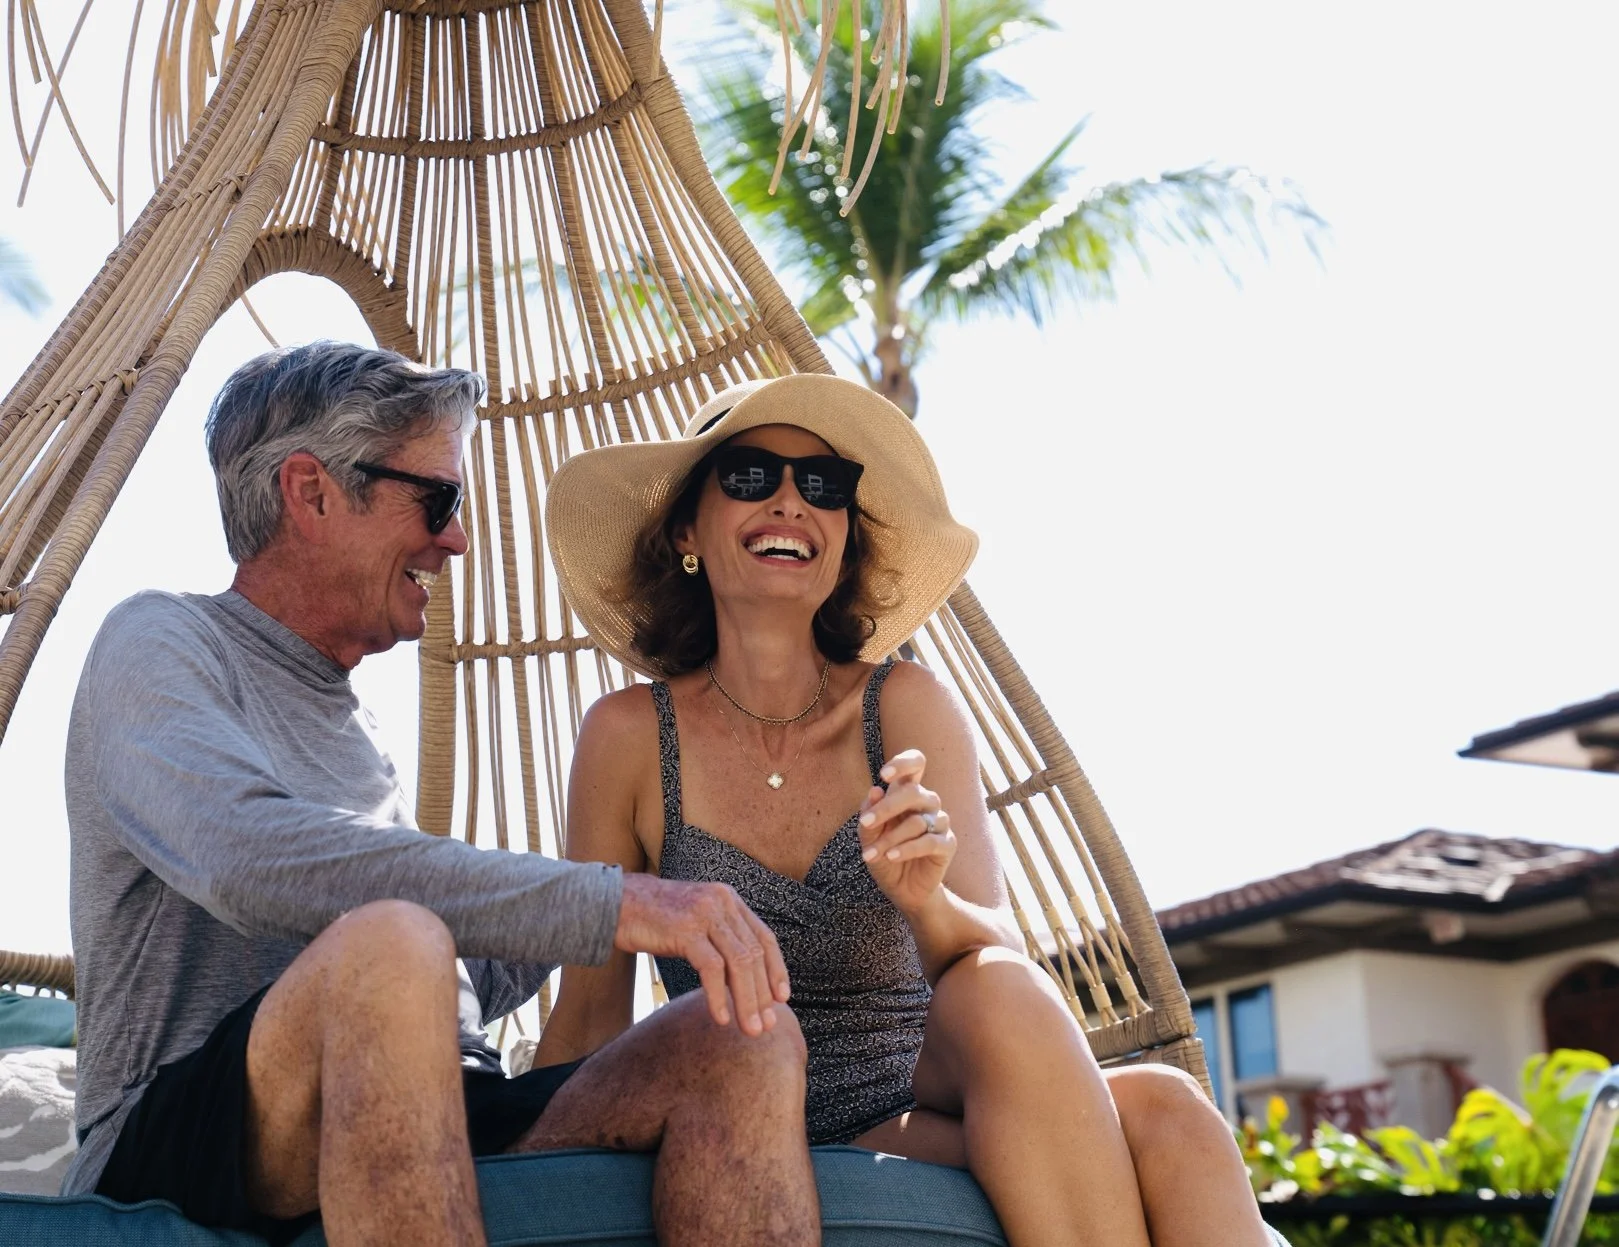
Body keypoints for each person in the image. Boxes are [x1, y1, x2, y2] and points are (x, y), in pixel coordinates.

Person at [60, 343, 821, 1247]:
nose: (456, 540)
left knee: (743, 1039)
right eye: (438, 500)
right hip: (178, 1131)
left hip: (447, 1091)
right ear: (311, 493)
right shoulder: (160, 639)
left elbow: (448, 973)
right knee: (391, 941)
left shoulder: (356, 726)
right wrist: (611, 900)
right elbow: (244, 856)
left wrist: (640, 855)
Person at [538, 373, 1273, 1247]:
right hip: (734, 1116)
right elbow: (590, 1013)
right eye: (748, 475)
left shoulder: (905, 706)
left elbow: (999, 960)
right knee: (1146, 1101)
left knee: (1165, 1106)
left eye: (823, 485)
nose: (789, 502)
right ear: (686, 530)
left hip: (908, 1108)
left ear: (844, 536)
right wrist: (522, 1174)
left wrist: (925, 897)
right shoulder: (627, 736)